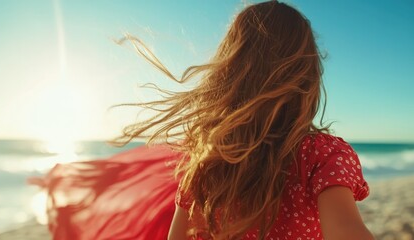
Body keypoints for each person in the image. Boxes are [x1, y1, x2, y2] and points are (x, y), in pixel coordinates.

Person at [31, 1, 373, 239]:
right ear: (308, 77)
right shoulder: (323, 156)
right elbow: (347, 232)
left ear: (231, 73)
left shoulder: (207, 162)